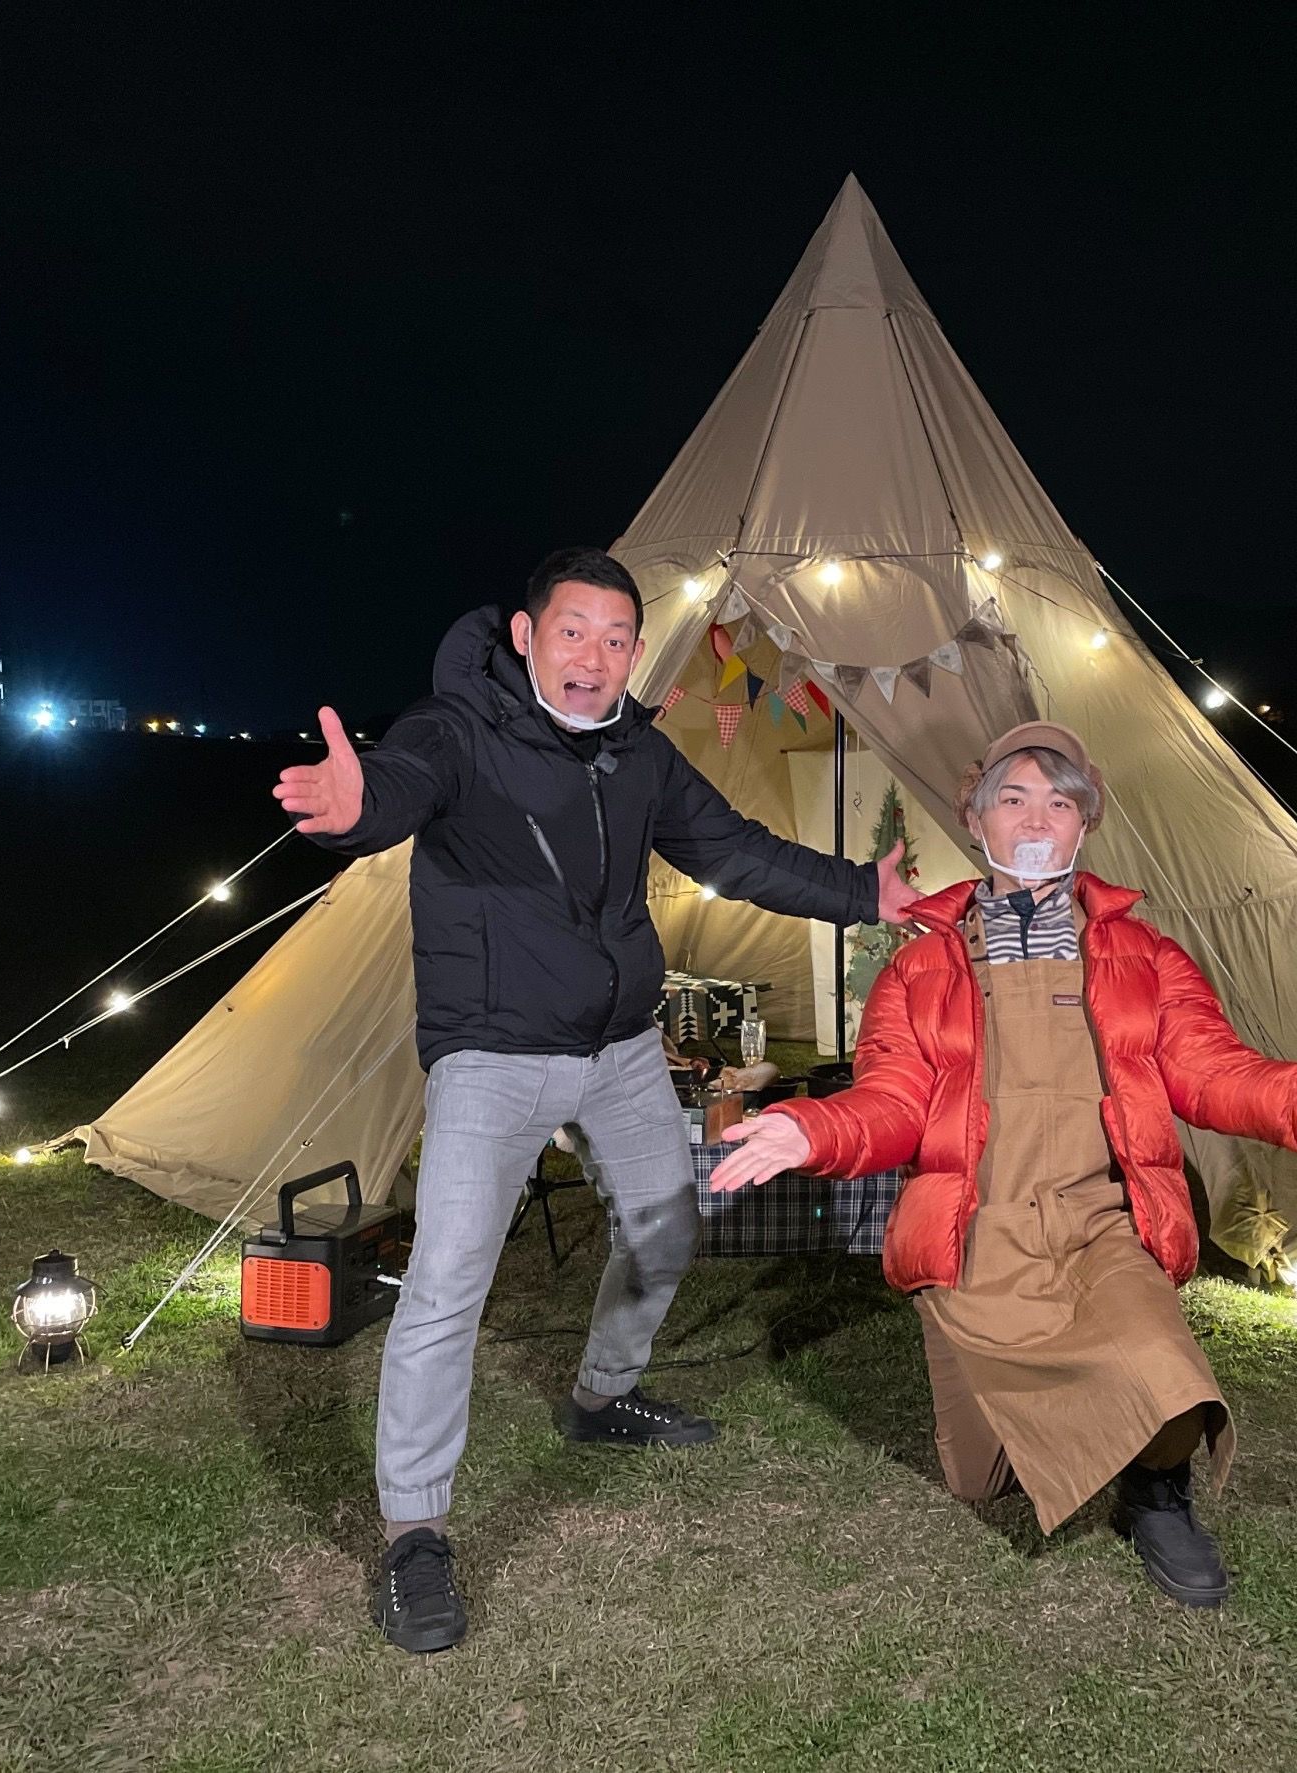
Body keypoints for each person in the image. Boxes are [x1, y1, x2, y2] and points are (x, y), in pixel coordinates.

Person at [275, 546, 919, 1653]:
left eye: (617, 638)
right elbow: (399, 785)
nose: (595, 657)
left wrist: (864, 891)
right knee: (446, 1285)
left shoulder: (638, 752)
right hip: (493, 1053)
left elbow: (732, 850)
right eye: (573, 632)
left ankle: (601, 1394)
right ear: (527, 636)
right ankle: (415, 1532)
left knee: (667, 1224)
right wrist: (354, 806)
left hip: (620, 1047)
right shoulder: (458, 729)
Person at [709, 721, 1297, 1607]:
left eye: (1060, 803)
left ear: (1086, 824)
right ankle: (1009, 1382)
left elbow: (1218, 1077)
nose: (1037, 820)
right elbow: (894, 1101)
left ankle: (1157, 1492)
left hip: (1101, 1222)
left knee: (1166, 1369)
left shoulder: (1146, 957)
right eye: (1014, 799)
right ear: (976, 819)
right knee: (978, 1478)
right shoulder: (918, 968)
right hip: (978, 1232)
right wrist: (811, 1129)